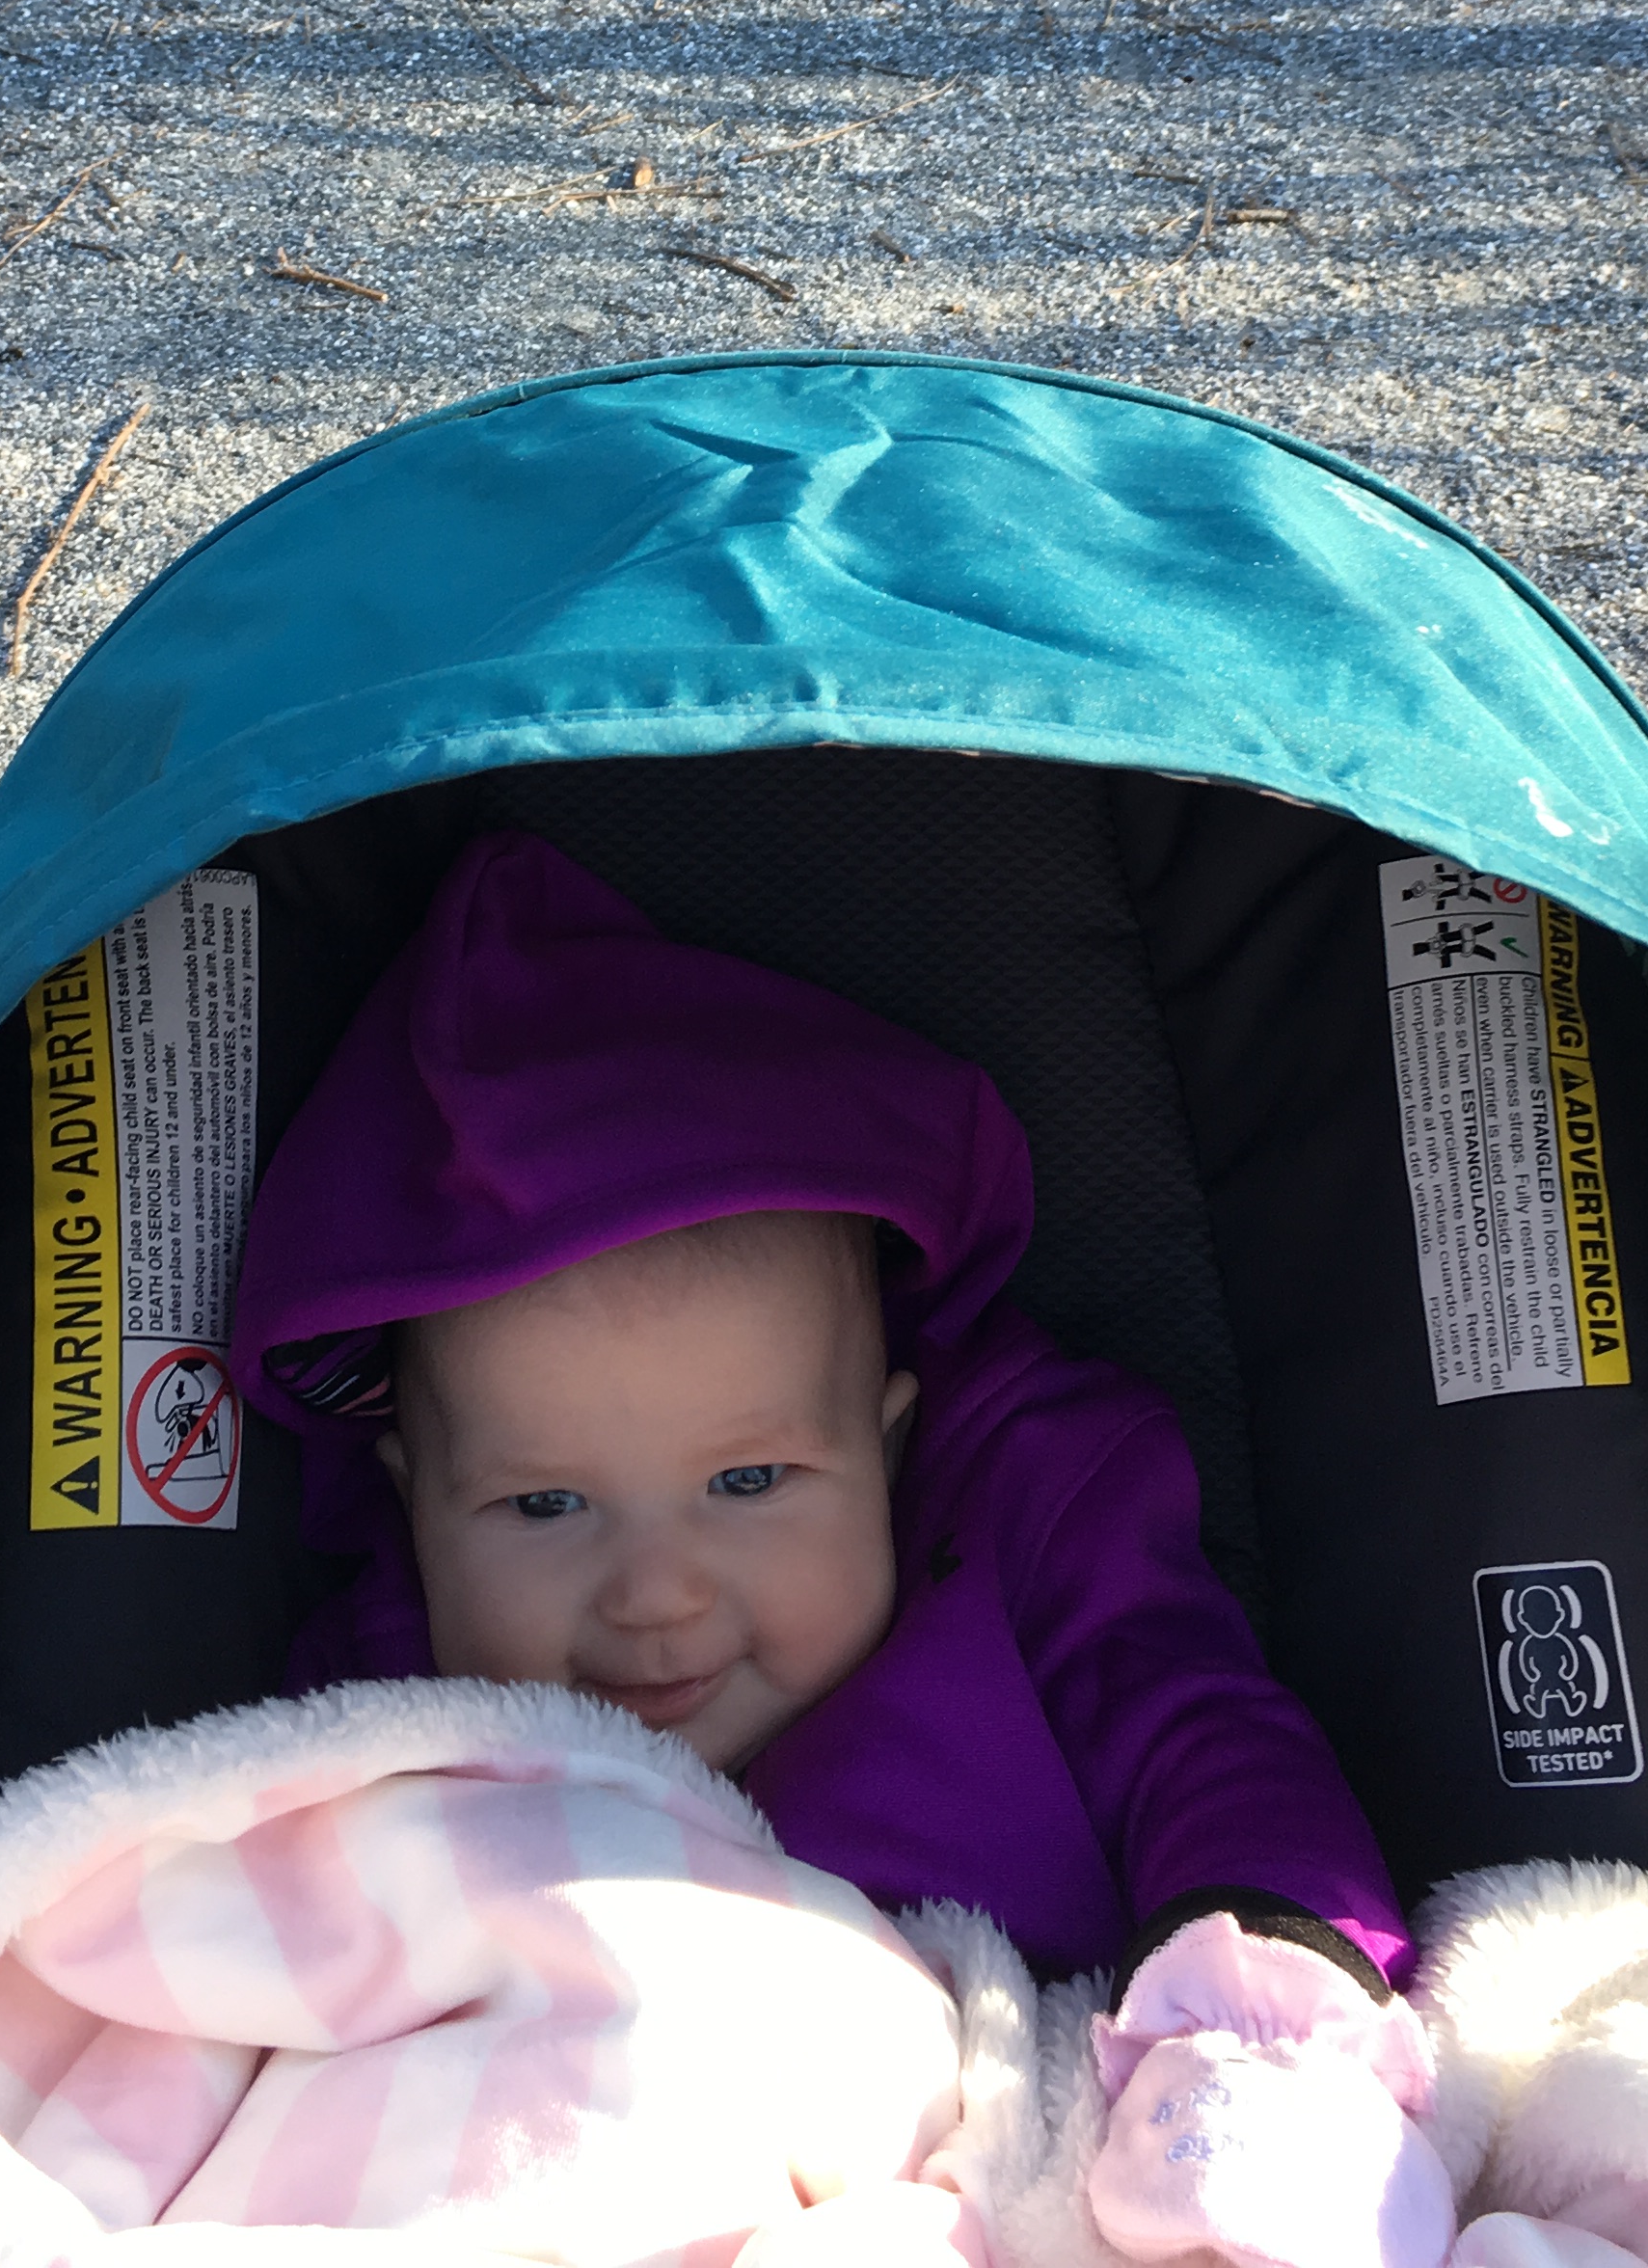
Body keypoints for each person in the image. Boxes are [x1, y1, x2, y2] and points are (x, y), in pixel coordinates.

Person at [230, 828, 1454, 2268]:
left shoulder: (1025, 1541)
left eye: (748, 1481)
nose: (656, 1595)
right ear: (414, 1496)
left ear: (886, 1444)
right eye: (544, 1507)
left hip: (1032, 2126)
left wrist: (1257, 1998)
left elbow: (1211, 1748)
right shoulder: (382, 1711)